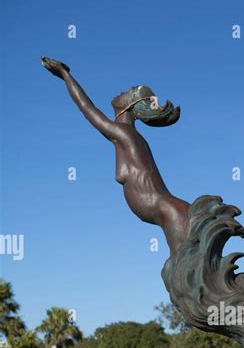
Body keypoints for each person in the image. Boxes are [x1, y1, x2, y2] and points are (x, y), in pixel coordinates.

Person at [41, 57, 190, 255]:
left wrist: (66, 75)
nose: (122, 91)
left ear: (131, 105)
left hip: (170, 212)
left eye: (128, 92)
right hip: (170, 211)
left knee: (186, 275)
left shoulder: (124, 133)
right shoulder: (128, 136)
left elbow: (88, 109)